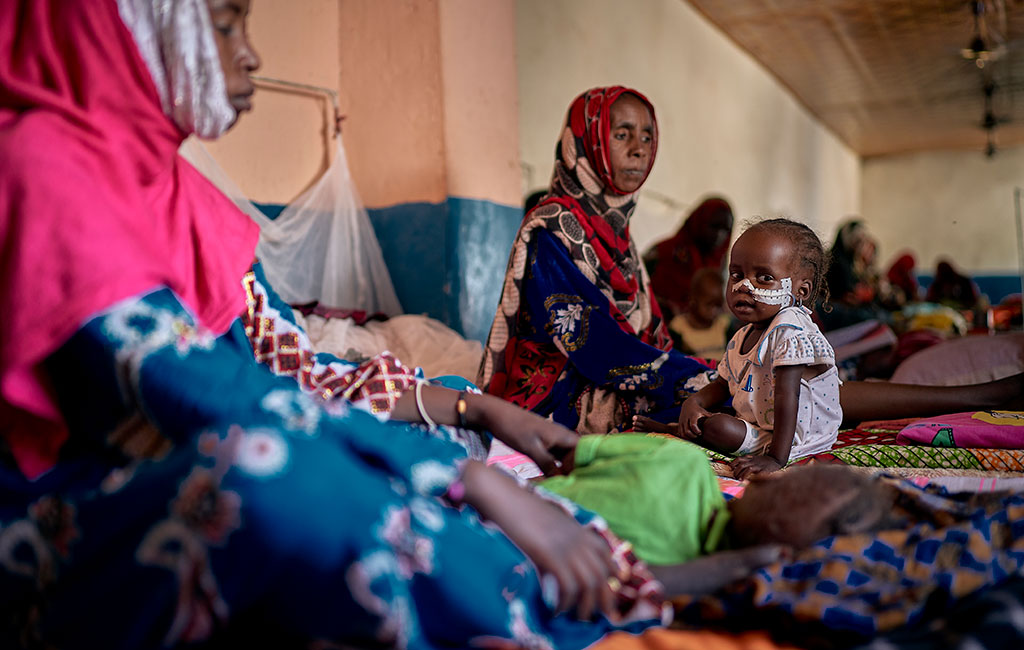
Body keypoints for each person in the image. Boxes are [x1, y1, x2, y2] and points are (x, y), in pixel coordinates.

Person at [0, 2, 706, 647]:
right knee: (271, 469)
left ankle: (569, 576)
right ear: (124, 28)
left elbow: (294, 368)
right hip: (70, 511)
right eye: (225, 22)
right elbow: (200, 390)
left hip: (204, 448)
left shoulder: (182, 198)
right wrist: (460, 476)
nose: (250, 55)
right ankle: (544, 602)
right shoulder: (42, 169)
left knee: (423, 419)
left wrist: (479, 409)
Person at [479, 87, 712, 434]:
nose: (639, 149)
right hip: (556, 391)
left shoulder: (620, 237)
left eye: (647, 137)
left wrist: (701, 370)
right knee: (708, 400)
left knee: (720, 395)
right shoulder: (552, 228)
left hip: (618, 374)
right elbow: (594, 344)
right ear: (588, 142)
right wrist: (691, 373)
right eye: (621, 135)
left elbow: (650, 333)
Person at [636, 219, 840, 479]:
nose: (744, 286)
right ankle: (679, 428)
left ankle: (680, 430)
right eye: (736, 274)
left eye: (764, 278)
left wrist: (775, 459)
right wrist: (693, 402)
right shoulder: (743, 334)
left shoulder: (791, 330)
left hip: (797, 438)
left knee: (719, 426)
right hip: (763, 425)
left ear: (801, 290)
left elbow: (788, 398)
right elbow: (722, 384)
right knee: (711, 421)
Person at [644, 196, 734, 321]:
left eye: (726, 230)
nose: (720, 235)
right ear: (698, 221)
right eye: (714, 226)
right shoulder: (665, 251)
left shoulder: (721, 266)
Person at [668, 267, 730, 361]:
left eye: (718, 305)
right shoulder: (678, 328)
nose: (714, 310)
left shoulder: (723, 325)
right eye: (709, 305)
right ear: (693, 300)